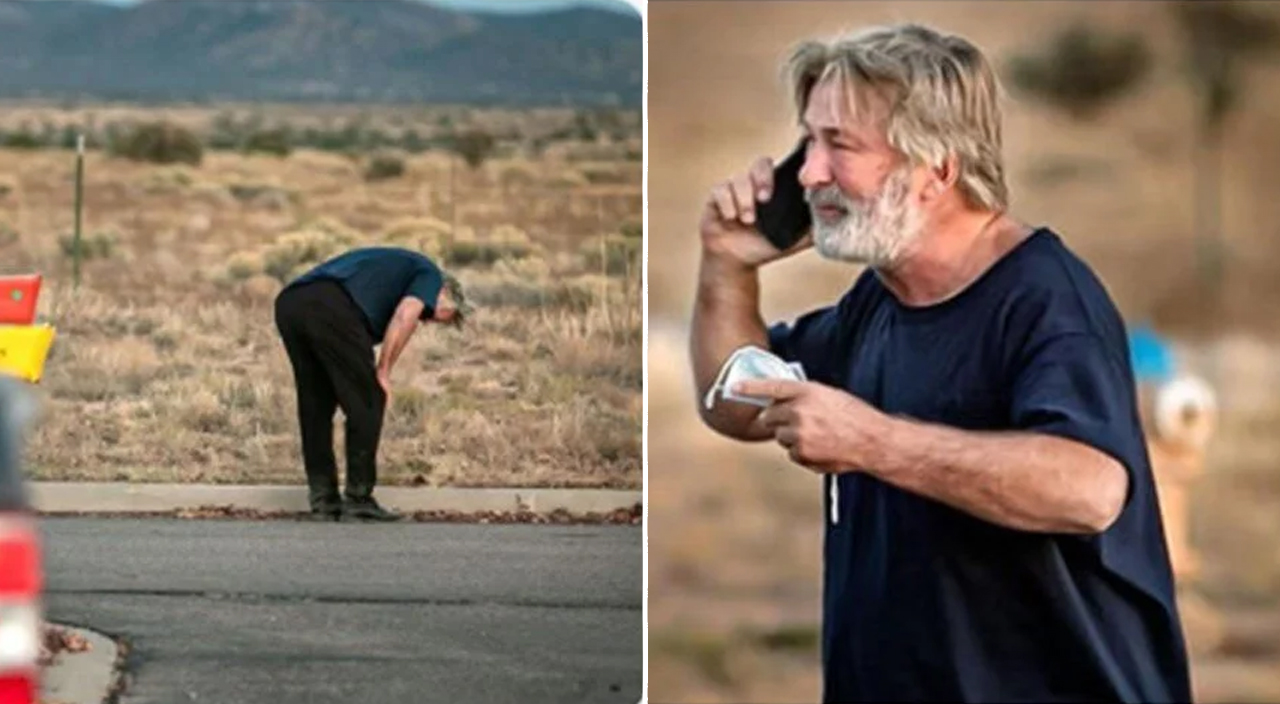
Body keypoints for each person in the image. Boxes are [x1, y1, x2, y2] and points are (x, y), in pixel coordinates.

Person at [689, 22, 1192, 703]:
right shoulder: (879, 299)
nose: (808, 173)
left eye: (839, 144)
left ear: (938, 170)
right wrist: (726, 265)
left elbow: (1090, 488)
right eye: (809, 140)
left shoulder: (1044, 298)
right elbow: (735, 404)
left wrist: (870, 441)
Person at [274, 246, 471, 522]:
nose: (425, 320)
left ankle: (323, 502)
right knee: (369, 400)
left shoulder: (395, 272)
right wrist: (383, 372)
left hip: (291, 303)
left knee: (316, 406)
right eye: (431, 314)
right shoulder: (430, 275)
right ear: (445, 293)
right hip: (330, 305)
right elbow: (405, 317)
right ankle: (358, 500)